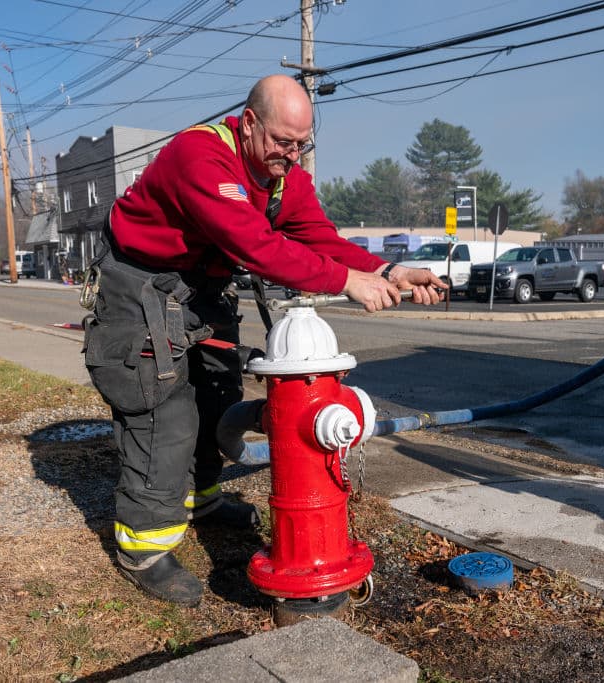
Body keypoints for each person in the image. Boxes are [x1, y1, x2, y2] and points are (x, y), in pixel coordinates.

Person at [82, 74, 446, 606]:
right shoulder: (200, 156)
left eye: (302, 144)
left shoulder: (283, 177)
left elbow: (318, 236)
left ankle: (201, 500)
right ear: (249, 123)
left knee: (217, 397)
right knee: (164, 413)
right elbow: (253, 245)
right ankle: (144, 549)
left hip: (201, 288)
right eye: (282, 141)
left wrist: (390, 269)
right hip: (141, 285)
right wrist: (347, 283)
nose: (292, 155)